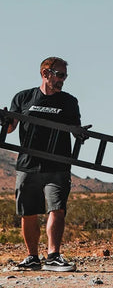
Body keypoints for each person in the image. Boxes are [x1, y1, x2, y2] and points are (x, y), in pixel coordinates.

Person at [5, 57, 81, 272]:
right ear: (45, 74)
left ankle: (53, 255)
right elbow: (10, 128)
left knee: (57, 209)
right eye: (59, 75)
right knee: (28, 212)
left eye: (65, 76)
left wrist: (80, 133)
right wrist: (5, 121)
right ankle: (32, 257)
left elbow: (76, 128)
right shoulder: (23, 97)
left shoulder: (69, 101)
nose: (62, 80)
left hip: (57, 165)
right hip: (28, 165)